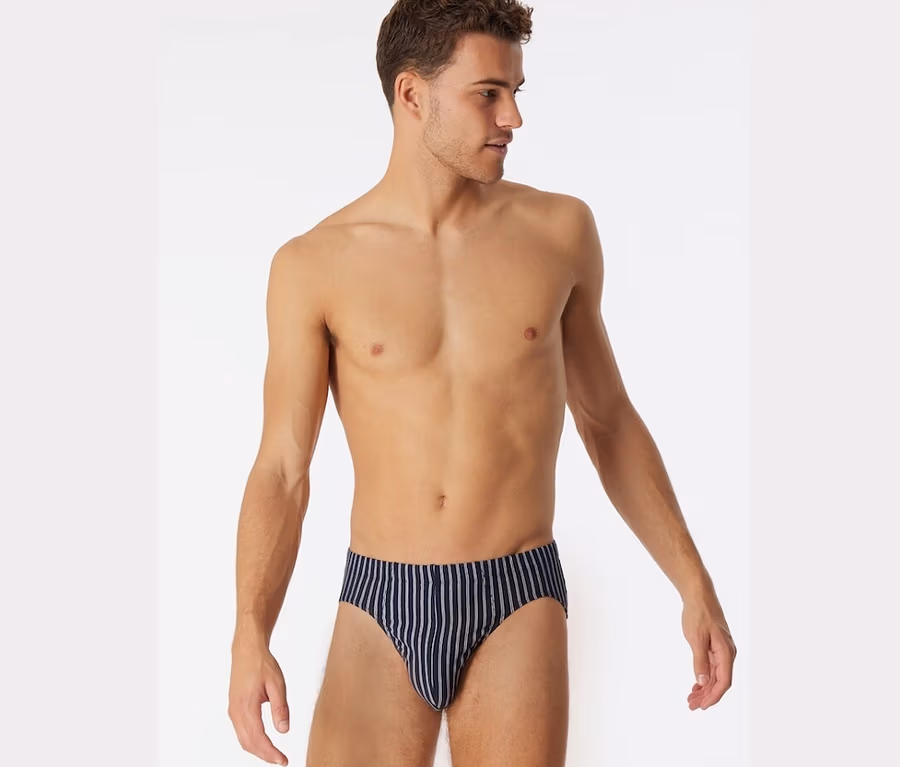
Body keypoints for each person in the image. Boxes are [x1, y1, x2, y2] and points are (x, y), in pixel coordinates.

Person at [227, 1, 737, 765]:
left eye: (516, 92)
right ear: (412, 95)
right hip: (379, 598)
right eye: (488, 94)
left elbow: (608, 420)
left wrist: (693, 580)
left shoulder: (558, 232)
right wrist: (249, 631)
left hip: (516, 595)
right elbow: (282, 467)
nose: (514, 118)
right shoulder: (314, 265)